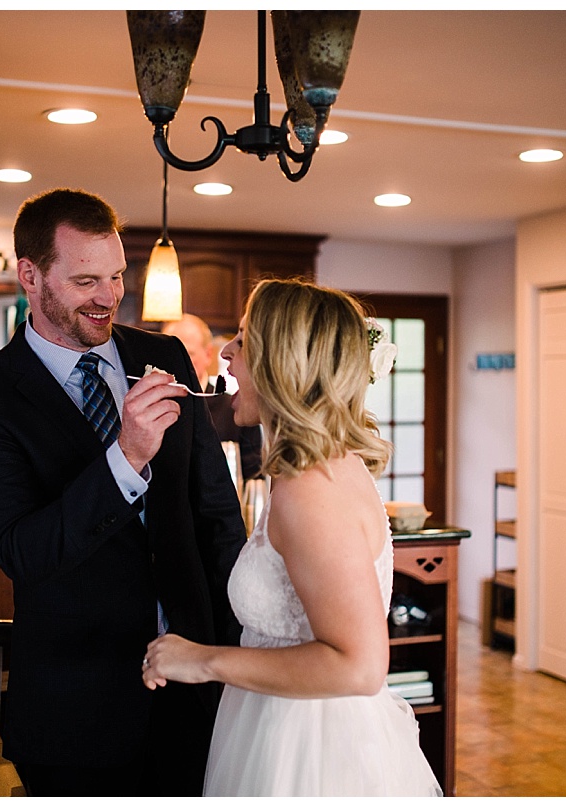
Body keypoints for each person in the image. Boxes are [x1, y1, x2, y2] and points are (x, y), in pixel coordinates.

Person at [0, 188, 247, 797]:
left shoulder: (164, 355)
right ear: (31, 275)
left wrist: (233, 652)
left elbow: (215, 513)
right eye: (85, 281)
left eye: (115, 276)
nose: (108, 297)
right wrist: (127, 456)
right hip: (75, 715)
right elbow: (25, 553)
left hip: (198, 692)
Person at [141, 278, 442, 797]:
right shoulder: (307, 470)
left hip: (310, 751)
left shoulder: (310, 487)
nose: (227, 354)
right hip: (278, 724)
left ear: (282, 360)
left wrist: (203, 659)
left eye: (242, 338)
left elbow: (360, 665)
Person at [162, 313, 263, 481]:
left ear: (208, 354)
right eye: (170, 355)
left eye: (189, 354)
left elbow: (253, 480)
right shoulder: (150, 408)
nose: (178, 363)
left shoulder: (237, 409)